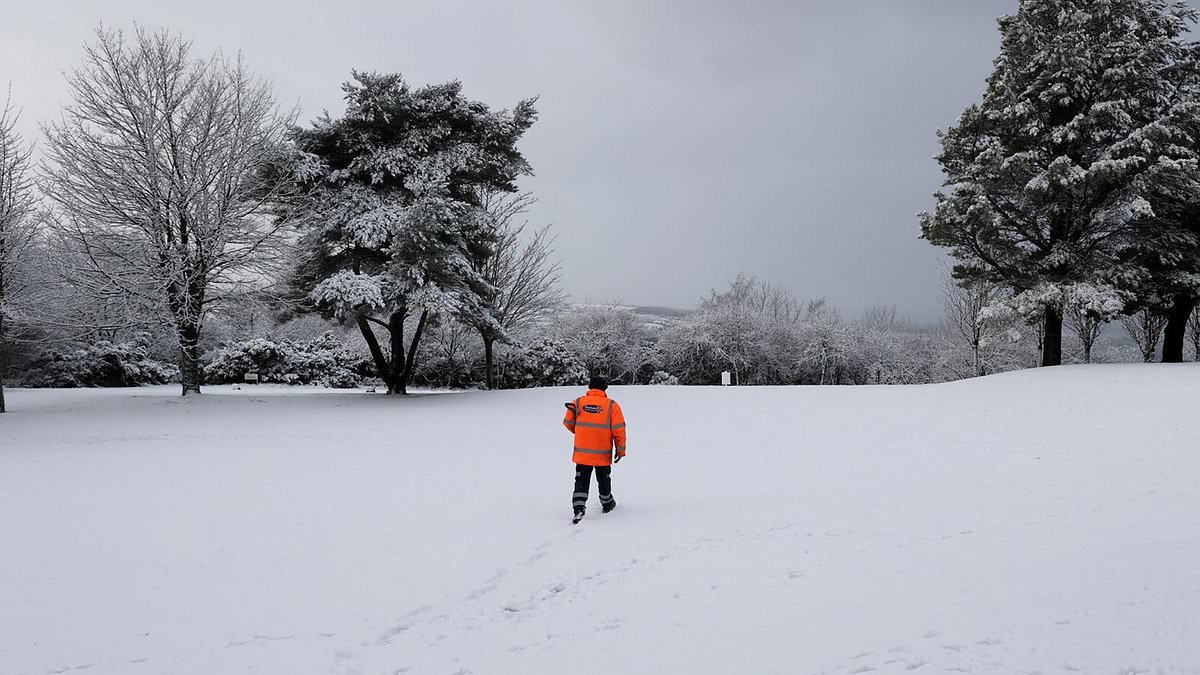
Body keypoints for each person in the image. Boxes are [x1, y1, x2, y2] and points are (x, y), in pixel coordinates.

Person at [562, 375, 627, 524]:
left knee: (581, 478)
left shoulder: (577, 402)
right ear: (605, 389)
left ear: (590, 387)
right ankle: (607, 503)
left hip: (582, 451)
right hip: (602, 452)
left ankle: (578, 507)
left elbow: (567, 422)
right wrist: (621, 450)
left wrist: (580, 432)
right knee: (603, 478)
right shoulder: (612, 405)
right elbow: (619, 430)